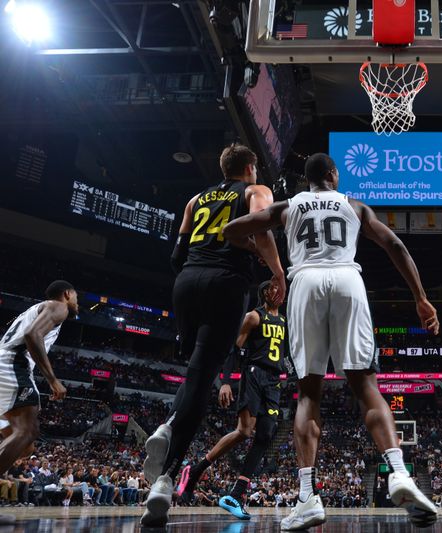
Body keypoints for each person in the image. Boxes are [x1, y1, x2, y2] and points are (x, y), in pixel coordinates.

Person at [223, 152, 439, 530]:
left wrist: (265, 257)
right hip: (347, 281)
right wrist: (420, 298)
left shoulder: (287, 206)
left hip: (304, 281)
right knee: (365, 385)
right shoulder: (353, 206)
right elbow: (397, 248)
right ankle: (400, 473)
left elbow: (233, 230)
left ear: (309, 180)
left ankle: (307, 497)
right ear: (333, 175)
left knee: (309, 393)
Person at [141, 143, 285, 527]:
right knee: (203, 378)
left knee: (195, 373)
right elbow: (260, 224)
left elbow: (176, 256)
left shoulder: (195, 199)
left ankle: (167, 447)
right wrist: (276, 270)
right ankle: (167, 467)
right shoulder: (257, 191)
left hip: (187, 283)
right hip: (226, 283)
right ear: (251, 168)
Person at [176, 277, 288, 520]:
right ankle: (195, 471)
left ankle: (236, 494)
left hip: (274, 380)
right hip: (254, 374)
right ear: (264, 293)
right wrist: (226, 381)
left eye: (278, 288)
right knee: (244, 432)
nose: (276, 290)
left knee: (266, 435)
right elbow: (233, 349)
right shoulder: (254, 317)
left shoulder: (285, 321)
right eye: (270, 287)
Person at [0, 280, 74, 520]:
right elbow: (33, 335)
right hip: (13, 363)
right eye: (76, 297)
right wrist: (52, 380)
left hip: (6, 363)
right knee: (27, 432)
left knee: (26, 446)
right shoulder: (58, 306)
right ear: (67, 294)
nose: (76, 303)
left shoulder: (36, 309)